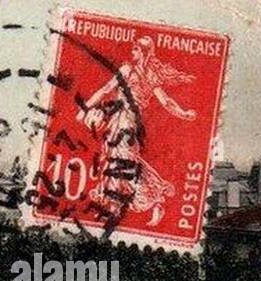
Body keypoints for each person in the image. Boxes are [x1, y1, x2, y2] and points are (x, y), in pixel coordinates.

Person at [76, 36, 196, 227]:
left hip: (129, 123)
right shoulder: (126, 69)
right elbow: (106, 89)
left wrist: (184, 113)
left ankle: (151, 200)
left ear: (144, 52)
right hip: (116, 120)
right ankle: (117, 206)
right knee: (115, 159)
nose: (132, 52)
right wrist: (84, 108)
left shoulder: (151, 76)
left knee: (124, 161)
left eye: (135, 49)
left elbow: (165, 101)